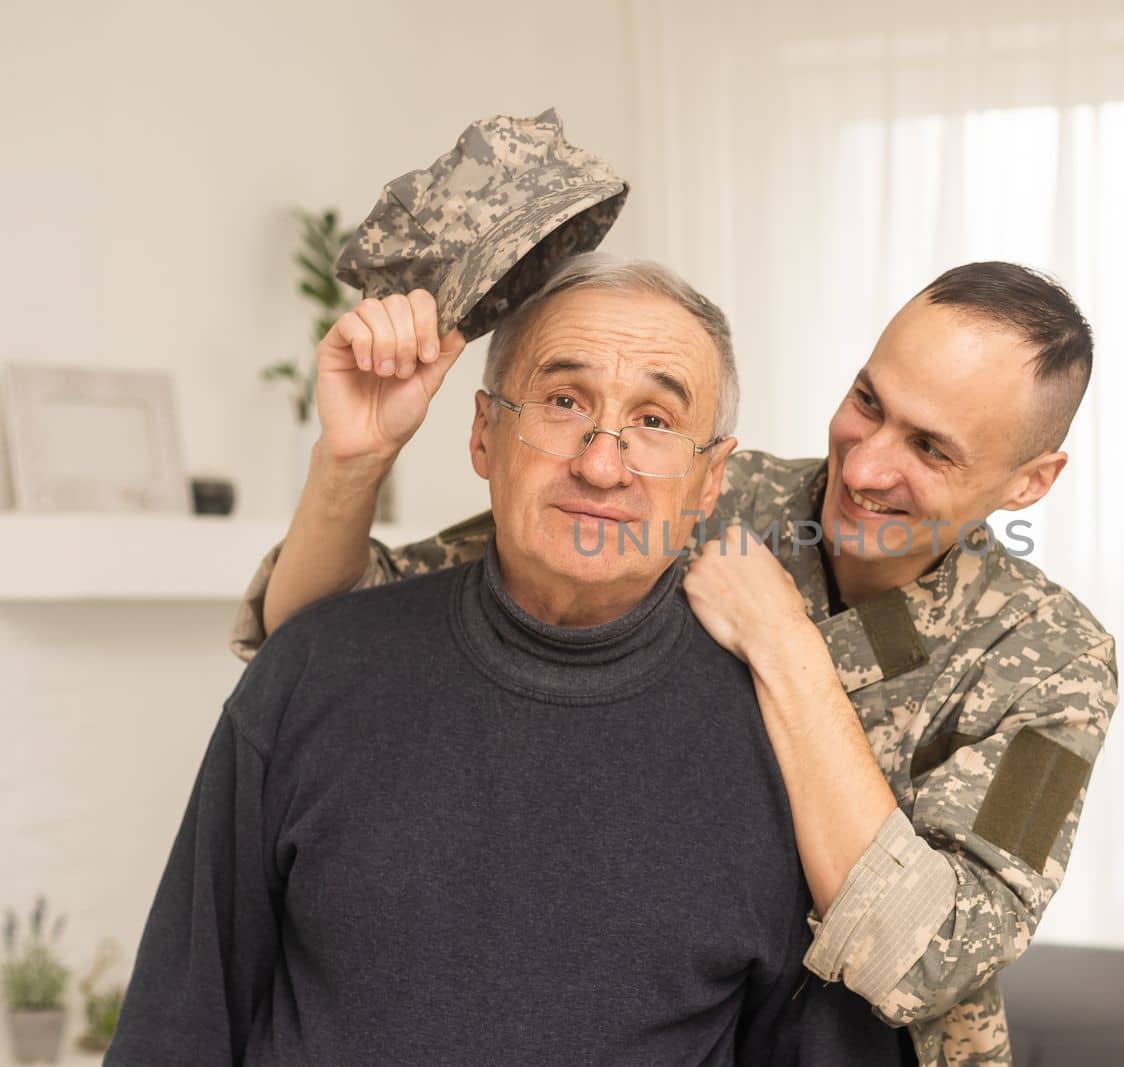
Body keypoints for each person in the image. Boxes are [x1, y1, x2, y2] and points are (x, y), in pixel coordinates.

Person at [235, 258, 1120, 1067]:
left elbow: (930, 958)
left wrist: (785, 646)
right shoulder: (698, 485)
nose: (869, 464)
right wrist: (352, 460)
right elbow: (336, 639)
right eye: (867, 401)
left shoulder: (1056, 664)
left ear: (1029, 482)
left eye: (930, 447)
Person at [108, 256, 902, 1065]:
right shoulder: (312, 665)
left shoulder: (782, 736)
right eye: (563, 402)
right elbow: (180, 1020)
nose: (601, 464)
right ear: (485, 433)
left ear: (710, 479)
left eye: (656, 422)